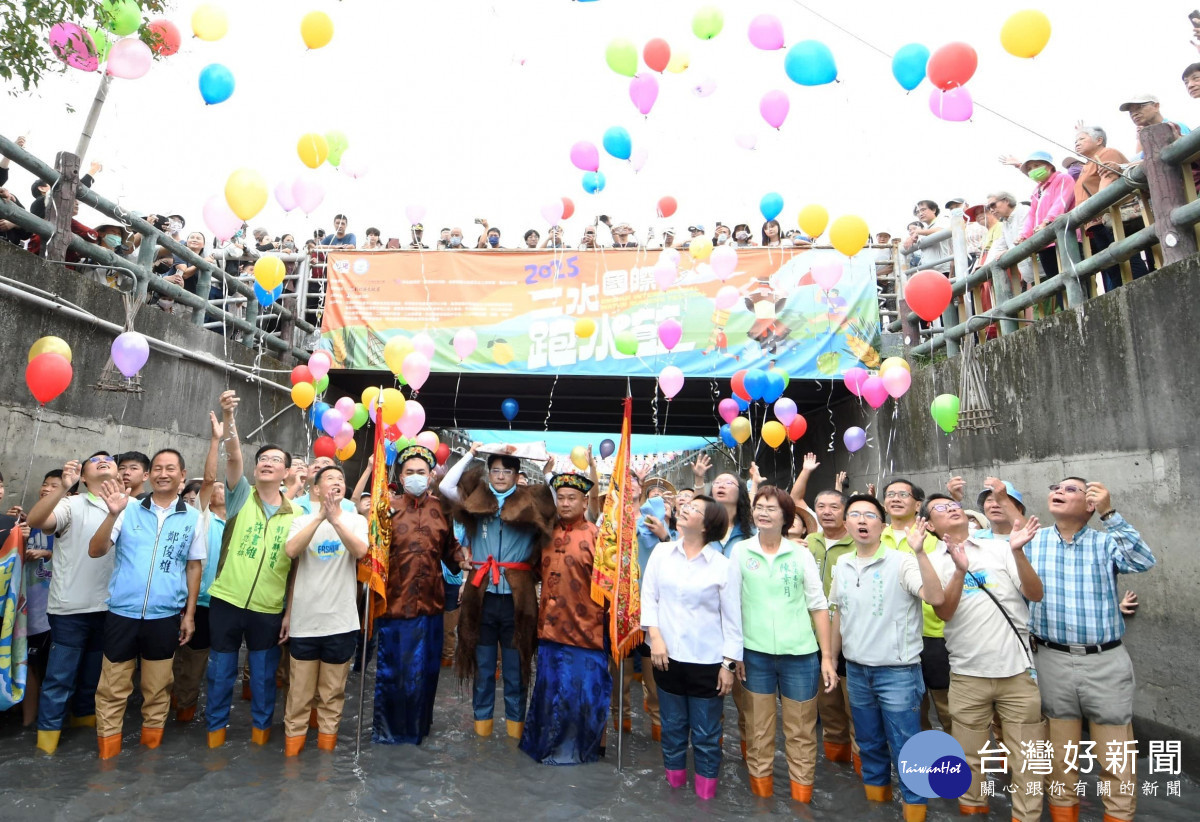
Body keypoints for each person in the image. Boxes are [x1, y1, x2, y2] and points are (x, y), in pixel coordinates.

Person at [1026, 478, 1155, 822]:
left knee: (1116, 756)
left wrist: (1109, 514)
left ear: (1090, 505)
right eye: (1055, 487)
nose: (1058, 491)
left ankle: (1119, 815)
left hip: (1105, 661)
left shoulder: (1105, 542)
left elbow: (1143, 561)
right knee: (1059, 757)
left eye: (1071, 489)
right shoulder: (1032, 541)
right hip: (1050, 659)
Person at [925, 494, 1046, 822]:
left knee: (1027, 759)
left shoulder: (1000, 548)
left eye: (953, 505)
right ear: (930, 526)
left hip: (1017, 672)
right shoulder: (931, 561)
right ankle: (972, 812)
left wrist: (1018, 552)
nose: (951, 508)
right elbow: (944, 612)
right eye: (940, 508)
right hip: (967, 675)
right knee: (968, 759)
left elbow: (1035, 593)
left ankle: (1027, 817)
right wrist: (959, 570)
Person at [829, 495, 945, 822]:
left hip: (898, 672)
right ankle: (877, 808)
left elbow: (935, 597)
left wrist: (920, 552)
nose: (862, 520)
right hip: (856, 671)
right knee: (869, 744)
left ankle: (915, 812)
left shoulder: (903, 561)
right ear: (846, 524)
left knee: (907, 747)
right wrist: (830, 660)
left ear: (882, 525)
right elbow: (839, 615)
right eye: (855, 515)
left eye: (869, 515)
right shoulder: (844, 564)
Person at [87, 449, 204, 758]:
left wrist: (189, 614)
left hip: (164, 616)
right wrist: (112, 514)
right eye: (158, 468)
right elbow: (96, 550)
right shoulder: (127, 508)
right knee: (112, 688)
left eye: (171, 468)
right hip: (122, 613)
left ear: (182, 474)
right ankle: (107, 755)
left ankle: (149, 756)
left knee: (157, 688)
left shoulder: (193, 517)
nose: (163, 474)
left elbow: (193, 566)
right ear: (150, 475)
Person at [440, 443, 555, 739]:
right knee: (483, 669)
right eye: (495, 470)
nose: (500, 476)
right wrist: (470, 454)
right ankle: (482, 737)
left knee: (516, 672)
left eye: (506, 471)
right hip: (482, 599)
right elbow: (445, 486)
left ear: (517, 475)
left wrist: (548, 473)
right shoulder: (476, 502)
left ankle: (516, 737)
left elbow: (558, 501)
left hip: (518, 601)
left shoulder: (531, 503)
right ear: (488, 473)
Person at [730, 485, 837, 802]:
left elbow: (818, 606)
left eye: (771, 508)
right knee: (758, 729)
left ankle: (801, 800)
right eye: (759, 507)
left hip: (800, 656)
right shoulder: (741, 552)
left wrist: (826, 657)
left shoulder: (800, 554)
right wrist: (735, 653)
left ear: (786, 516)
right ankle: (762, 800)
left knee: (801, 729)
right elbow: (731, 606)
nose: (763, 513)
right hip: (755, 655)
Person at [204, 390, 297, 748]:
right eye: (263, 459)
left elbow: (296, 570)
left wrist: (288, 612)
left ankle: (260, 737)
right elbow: (233, 456)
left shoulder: (297, 515)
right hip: (227, 600)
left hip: (268, 608)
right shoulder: (240, 496)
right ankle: (215, 735)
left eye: (275, 460)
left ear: (286, 472)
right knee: (220, 673)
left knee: (263, 677)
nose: (267, 463)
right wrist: (229, 418)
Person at [642, 495, 741, 800]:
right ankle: (674, 798)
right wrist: (656, 638)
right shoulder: (662, 553)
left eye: (695, 509)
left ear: (708, 525)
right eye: (687, 506)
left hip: (707, 663)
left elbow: (733, 620)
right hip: (666, 658)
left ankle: (705, 802)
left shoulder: (722, 566)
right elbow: (649, 598)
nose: (685, 509)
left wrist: (728, 665)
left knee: (707, 736)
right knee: (672, 731)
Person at [26, 453, 119, 755]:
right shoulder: (71, 504)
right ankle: (46, 742)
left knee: (93, 678)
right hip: (70, 609)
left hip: (109, 609)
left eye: (108, 458)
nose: (103, 460)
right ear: (84, 477)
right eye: (95, 460)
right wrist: (64, 487)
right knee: (59, 679)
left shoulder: (130, 507)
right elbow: (36, 521)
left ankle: (83, 733)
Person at [373, 445, 462, 745]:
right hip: (395, 607)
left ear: (431, 476)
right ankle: (390, 732)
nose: (415, 476)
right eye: (409, 472)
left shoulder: (442, 509)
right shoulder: (387, 508)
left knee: (426, 674)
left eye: (421, 472)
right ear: (400, 476)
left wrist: (465, 560)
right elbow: (374, 553)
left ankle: (420, 730)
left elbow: (451, 550)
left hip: (432, 607)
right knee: (395, 673)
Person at [519, 472, 611, 764]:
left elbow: (611, 586)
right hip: (549, 631)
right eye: (561, 498)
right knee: (548, 693)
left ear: (585, 502)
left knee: (581, 696)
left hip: (585, 632)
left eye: (572, 498)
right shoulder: (545, 534)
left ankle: (580, 752)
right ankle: (544, 748)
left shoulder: (598, 537)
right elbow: (532, 571)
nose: (566, 503)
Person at [282, 465, 368, 755]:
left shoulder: (356, 521)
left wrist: (336, 520)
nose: (337, 482)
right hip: (305, 622)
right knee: (299, 695)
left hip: (341, 622)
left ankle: (325, 760)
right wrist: (320, 517)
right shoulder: (302, 520)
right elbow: (291, 550)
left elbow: (360, 551)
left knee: (332, 696)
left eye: (341, 479)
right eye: (330, 478)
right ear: (316, 489)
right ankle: (292, 755)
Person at [880, 478, 951, 736]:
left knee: (948, 708)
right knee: (912, 710)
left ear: (918, 504)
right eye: (890, 494)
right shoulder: (875, 538)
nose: (896, 499)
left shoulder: (935, 539)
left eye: (903, 494)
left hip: (934, 634)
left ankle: (962, 757)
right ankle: (923, 757)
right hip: (894, 636)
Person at [172, 419, 228, 724]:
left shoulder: (235, 521)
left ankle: (190, 710)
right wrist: (215, 441)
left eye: (223, 486)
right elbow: (207, 479)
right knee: (186, 658)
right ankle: (179, 707)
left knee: (209, 660)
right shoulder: (200, 517)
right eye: (216, 486)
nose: (219, 488)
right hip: (195, 599)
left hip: (223, 602)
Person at [804, 487, 860, 769]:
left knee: (856, 707)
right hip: (814, 637)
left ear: (845, 512)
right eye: (821, 507)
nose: (827, 512)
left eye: (834, 507)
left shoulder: (858, 542)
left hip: (851, 636)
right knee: (828, 706)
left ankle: (865, 769)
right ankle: (837, 764)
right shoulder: (808, 541)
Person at [21, 470, 64, 728]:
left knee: (50, 671)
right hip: (27, 611)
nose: (46, 489)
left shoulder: (67, 526)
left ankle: (47, 723)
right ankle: (27, 723)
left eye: (54, 486)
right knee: (28, 665)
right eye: (45, 484)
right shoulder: (28, 523)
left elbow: (81, 560)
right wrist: (14, 530)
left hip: (54, 611)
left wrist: (47, 554)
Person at [1018, 151, 1076, 284]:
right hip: (1044, 242)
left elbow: (1061, 202)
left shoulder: (1063, 178)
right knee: (1056, 283)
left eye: (1036, 165)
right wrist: (1024, 235)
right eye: (1029, 168)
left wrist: (1047, 221)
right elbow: (1031, 215)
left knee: (1074, 277)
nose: (1032, 170)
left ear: (1049, 166)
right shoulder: (1036, 191)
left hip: (1065, 236)